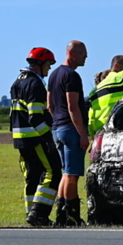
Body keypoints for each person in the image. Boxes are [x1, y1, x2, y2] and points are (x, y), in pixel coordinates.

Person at [10, 47, 61, 226]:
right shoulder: (35, 84)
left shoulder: (18, 81)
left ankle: (30, 213)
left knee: (33, 176)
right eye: (48, 64)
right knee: (53, 172)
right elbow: (35, 116)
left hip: (20, 138)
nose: (49, 69)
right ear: (39, 64)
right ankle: (39, 214)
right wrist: (49, 139)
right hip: (35, 137)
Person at [46, 40, 89, 227]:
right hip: (70, 129)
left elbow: (50, 105)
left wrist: (58, 122)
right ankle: (72, 216)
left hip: (57, 127)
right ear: (72, 54)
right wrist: (82, 133)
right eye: (82, 54)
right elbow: (73, 106)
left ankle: (61, 215)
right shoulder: (71, 76)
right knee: (72, 175)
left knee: (66, 173)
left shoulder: (54, 75)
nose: (85, 58)